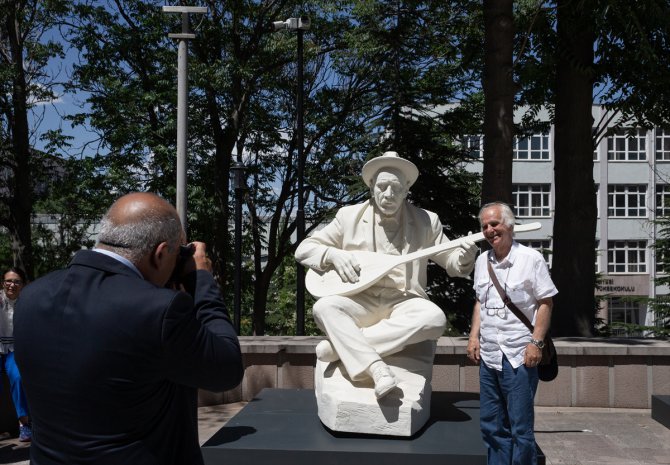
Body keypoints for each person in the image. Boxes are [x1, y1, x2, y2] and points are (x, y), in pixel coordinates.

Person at [14, 192, 244, 465]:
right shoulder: (160, 310)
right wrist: (202, 280)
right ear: (160, 254)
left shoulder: (31, 296)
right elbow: (227, 368)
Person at [296, 151, 477, 399]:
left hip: (403, 301)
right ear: (372, 188)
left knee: (434, 319)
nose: (388, 194)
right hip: (360, 299)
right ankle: (375, 368)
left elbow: (452, 263)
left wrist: (465, 256)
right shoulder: (348, 217)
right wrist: (332, 256)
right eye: (382, 187)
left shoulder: (427, 221)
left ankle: (341, 348)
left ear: (406, 191)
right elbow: (304, 250)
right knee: (325, 308)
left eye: (395, 188)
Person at [467, 202, 558, 465]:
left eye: (494, 224)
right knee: (492, 427)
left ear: (509, 225)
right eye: (484, 226)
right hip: (490, 355)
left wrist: (536, 343)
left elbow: (545, 303)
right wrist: (474, 336)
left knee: (520, 429)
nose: (489, 230)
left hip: (518, 354)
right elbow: (479, 302)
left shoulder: (531, 259)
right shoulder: (483, 261)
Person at [0, 267, 32, 442]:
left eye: (16, 281)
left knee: (18, 377)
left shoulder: (27, 302)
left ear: (23, 284)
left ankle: (24, 424)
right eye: (9, 281)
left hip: (15, 349)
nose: (12, 284)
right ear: (3, 283)